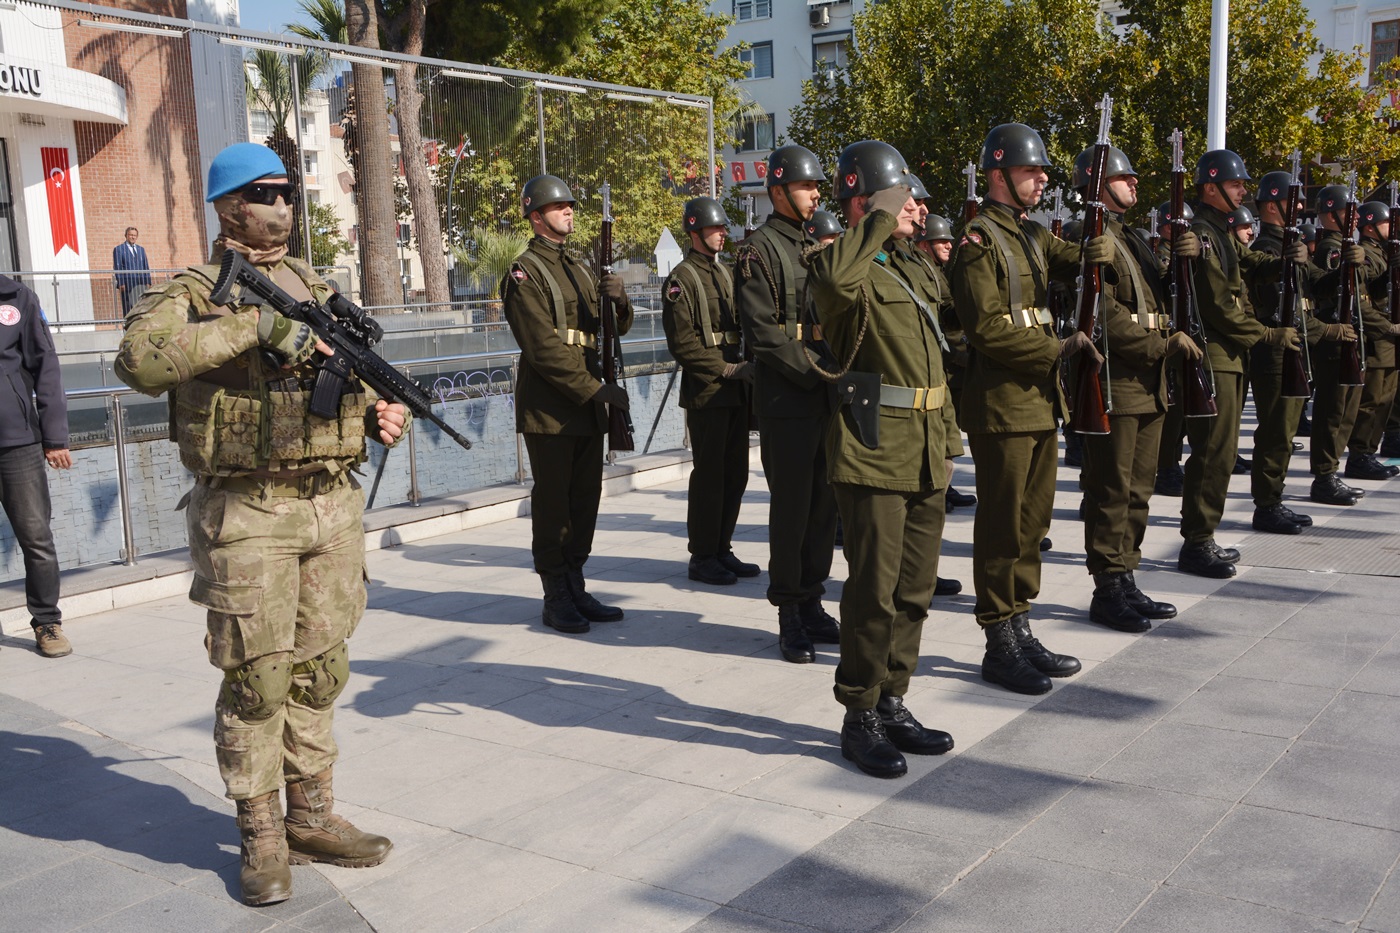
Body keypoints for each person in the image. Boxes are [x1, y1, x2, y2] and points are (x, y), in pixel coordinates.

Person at [114, 142, 400, 906]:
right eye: (268, 192)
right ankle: (262, 834)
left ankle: (311, 815)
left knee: (322, 668)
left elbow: (331, 385)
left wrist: (375, 414)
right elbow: (139, 363)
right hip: (249, 508)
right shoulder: (196, 289)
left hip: (330, 500)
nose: (286, 204)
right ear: (230, 205)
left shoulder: (314, 283)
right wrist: (251, 329)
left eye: (289, 191)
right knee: (258, 679)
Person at [808, 139, 956, 778]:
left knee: (915, 590)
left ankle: (894, 699)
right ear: (867, 203)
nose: (917, 210)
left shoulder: (912, 267)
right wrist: (874, 215)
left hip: (925, 449)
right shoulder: (842, 264)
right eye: (904, 199)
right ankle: (859, 713)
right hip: (874, 452)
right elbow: (834, 282)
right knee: (873, 590)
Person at [947, 123, 1113, 695]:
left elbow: (1077, 257)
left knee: (1033, 524)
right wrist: (1058, 348)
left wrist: (1101, 240)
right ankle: (998, 638)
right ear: (999, 176)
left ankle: (1021, 621)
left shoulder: (1030, 235)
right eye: (1030, 171)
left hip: (1042, 403)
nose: (1041, 178)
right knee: (1001, 525)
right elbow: (986, 330)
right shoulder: (978, 241)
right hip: (1001, 405)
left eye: (1042, 170)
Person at [1069, 144, 1199, 632]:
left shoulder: (1132, 238)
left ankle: (1125, 575)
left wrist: (1186, 258)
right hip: (1117, 382)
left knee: (1140, 490)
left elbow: (1161, 292)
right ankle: (1107, 587)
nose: (1135, 184)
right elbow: (1101, 309)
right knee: (1111, 491)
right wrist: (1160, 346)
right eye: (1126, 177)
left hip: (1150, 384)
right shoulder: (1093, 235)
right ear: (1098, 182)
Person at [501, 174, 633, 634]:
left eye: (570, 205)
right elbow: (543, 348)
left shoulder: (578, 267)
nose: (569, 211)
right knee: (555, 503)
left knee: (585, 500)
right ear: (536, 216)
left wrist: (620, 301)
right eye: (559, 207)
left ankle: (576, 581)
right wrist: (593, 390)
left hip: (587, 403)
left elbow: (608, 329)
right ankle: (555, 592)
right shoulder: (524, 272)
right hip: (552, 407)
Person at [735, 144, 840, 664]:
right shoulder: (758, 249)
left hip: (823, 391)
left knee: (825, 507)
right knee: (793, 509)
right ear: (778, 191)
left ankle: (814, 597)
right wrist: (817, 372)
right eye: (806, 186)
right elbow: (764, 334)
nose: (816, 192)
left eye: (816, 185)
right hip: (789, 396)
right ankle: (790, 611)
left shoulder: (812, 244)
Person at [1177, 150, 1302, 577]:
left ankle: (1203, 535)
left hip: (1230, 354)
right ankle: (1196, 542)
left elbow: (1251, 264)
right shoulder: (1204, 234)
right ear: (1210, 187)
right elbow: (1217, 308)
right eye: (1235, 184)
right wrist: (1266, 335)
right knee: (1214, 451)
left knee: (1222, 450)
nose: (1243, 191)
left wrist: (1284, 260)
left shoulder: (1222, 232)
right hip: (1215, 353)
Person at [661, 197, 759, 587]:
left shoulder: (724, 273)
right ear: (695, 231)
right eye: (716, 228)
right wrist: (727, 369)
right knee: (710, 476)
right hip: (708, 390)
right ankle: (702, 555)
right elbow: (683, 344)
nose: (722, 234)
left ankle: (722, 547)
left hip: (735, 389)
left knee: (734, 474)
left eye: (723, 228)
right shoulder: (681, 280)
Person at [1246, 171, 1339, 534]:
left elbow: (1318, 284)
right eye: (1292, 200)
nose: (1300, 207)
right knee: (1275, 432)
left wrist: (1345, 266)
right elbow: (1275, 308)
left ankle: (1275, 498)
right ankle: (1266, 505)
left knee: (1285, 432)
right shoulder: (1266, 251)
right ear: (1272, 205)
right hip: (1275, 353)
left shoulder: (1290, 244)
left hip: (1295, 349)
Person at [0, 274, 73, 657]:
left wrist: (55, 436)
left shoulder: (16, 297)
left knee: (37, 539)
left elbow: (46, 365)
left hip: (18, 443)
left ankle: (47, 622)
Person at [1309, 184, 1376, 507]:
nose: (1355, 218)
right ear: (1332, 213)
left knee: (1347, 410)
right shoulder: (1330, 248)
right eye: (1349, 211)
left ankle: (1331, 470)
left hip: (1352, 336)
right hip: (1335, 339)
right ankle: (1324, 474)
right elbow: (1328, 286)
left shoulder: (1348, 245)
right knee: (1332, 411)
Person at [1346, 200, 1400, 482]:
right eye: (1386, 223)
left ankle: (1369, 449)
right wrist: (1390, 327)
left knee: (1386, 399)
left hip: (1389, 338)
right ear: (1369, 226)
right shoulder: (1366, 253)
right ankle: (1360, 455)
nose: (1391, 228)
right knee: (1372, 400)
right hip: (1377, 338)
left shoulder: (1382, 252)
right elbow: (1364, 299)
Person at [113, 226, 151, 316]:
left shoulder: (141, 249)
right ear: (126, 235)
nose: (133, 237)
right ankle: (127, 328)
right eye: (130, 235)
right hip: (127, 283)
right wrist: (121, 283)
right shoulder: (119, 249)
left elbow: (146, 266)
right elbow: (118, 267)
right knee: (128, 308)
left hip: (140, 283)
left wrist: (148, 281)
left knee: (140, 307)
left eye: (135, 235)